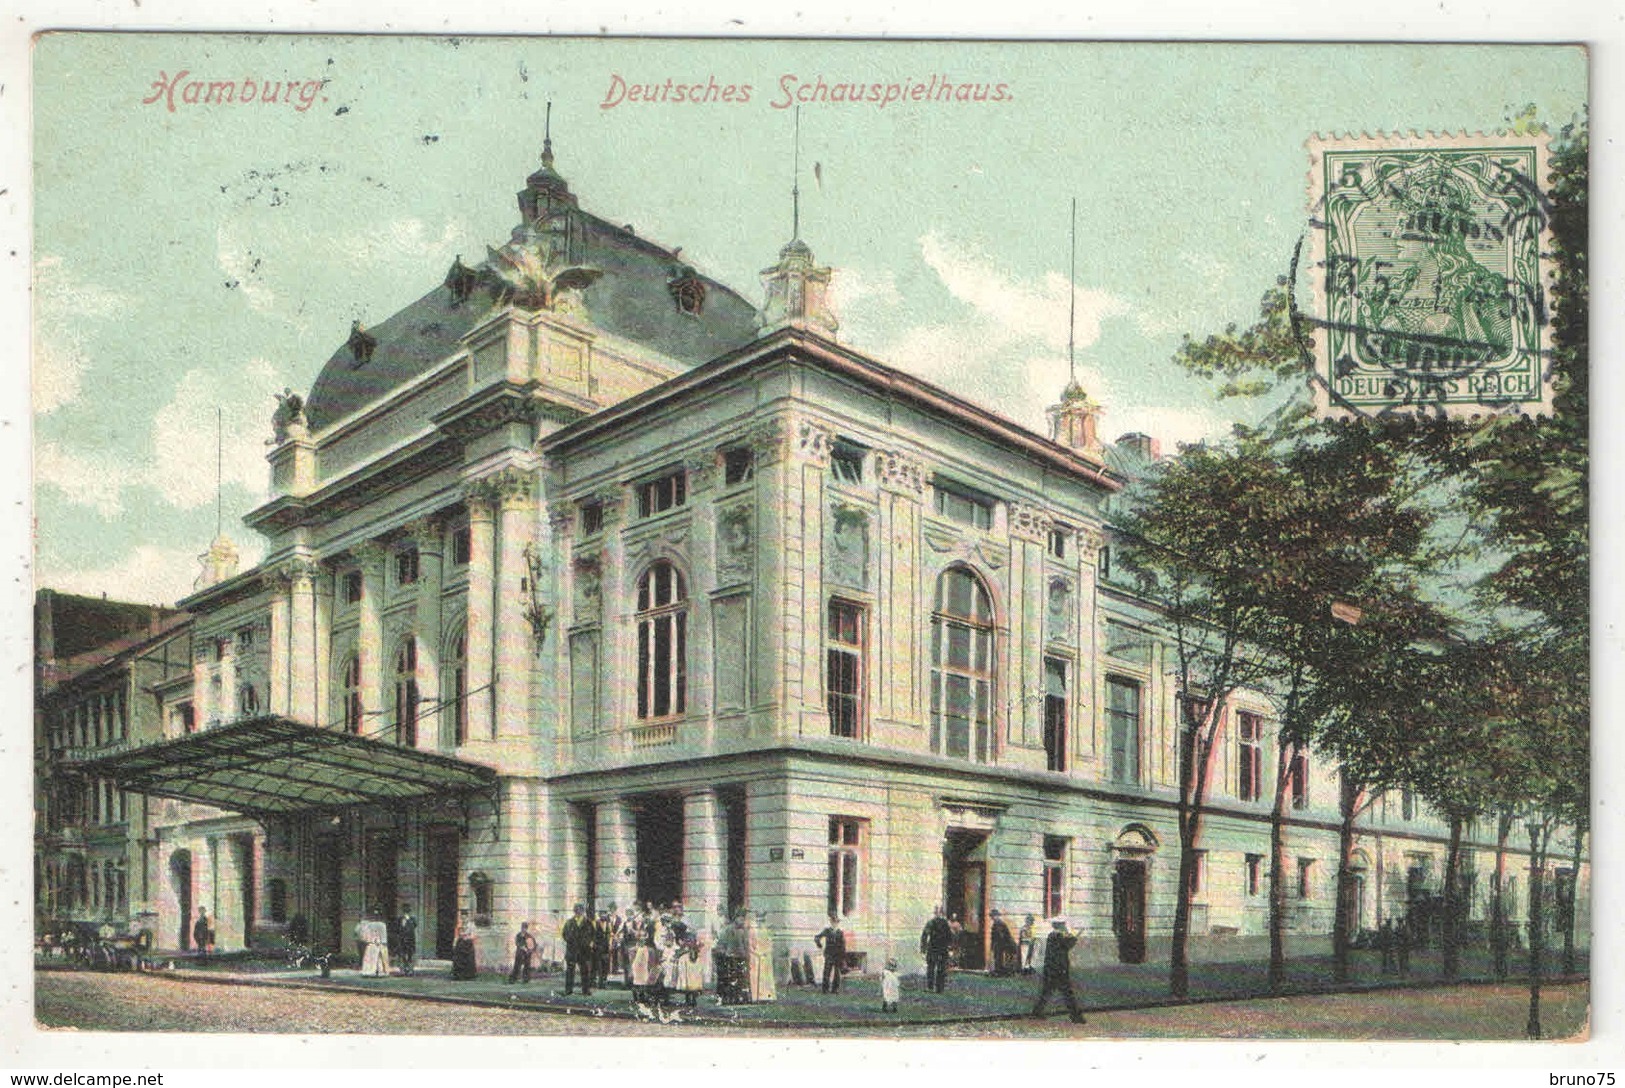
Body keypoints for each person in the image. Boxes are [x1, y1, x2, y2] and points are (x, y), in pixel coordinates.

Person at [1031, 917, 1085, 1024]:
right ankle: (1076, 1017)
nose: (1065, 926)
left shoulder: (1052, 935)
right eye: (1063, 925)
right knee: (1068, 994)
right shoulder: (1058, 935)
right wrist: (1076, 935)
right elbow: (1068, 945)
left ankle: (1037, 1012)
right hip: (1059, 970)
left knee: (1046, 992)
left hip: (1051, 969)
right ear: (1060, 925)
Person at [920, 906, 954, 993]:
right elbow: (950, 937)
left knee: (935, 968)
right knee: (937, 969)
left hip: (935, 948)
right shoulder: (944, 924)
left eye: (938, 913)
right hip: (939, 949)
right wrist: (950, 948)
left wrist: (923, 949)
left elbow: (925, 935)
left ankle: (934, 987)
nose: (938, 915)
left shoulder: (933, 923)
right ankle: (937, 988)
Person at [563, 904, 594, 995]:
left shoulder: (588, 922)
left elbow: (592, 935)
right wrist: (571, 941)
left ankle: (585, 990)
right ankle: (568, 990)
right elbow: (564, 934)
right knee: (570, 971)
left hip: (584, 951)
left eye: (580, 911)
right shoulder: (569, 922)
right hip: (572, 950)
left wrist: (587, 943)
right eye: (576, 911)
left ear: (583, 912)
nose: (578, 913)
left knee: (584, 971)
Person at [746, 910, 777, 1003]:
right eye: (758, 920)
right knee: (756, 976)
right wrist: (755, 952)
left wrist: (767, 951)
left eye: (762, 920)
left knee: (766, 977)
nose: (760, 922)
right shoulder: (752, 930)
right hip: (756, 955)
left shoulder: (767, 930)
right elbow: (750, 943)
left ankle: (767, 996)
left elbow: (770, 943)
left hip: (766, 955)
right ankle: (756, 996)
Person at [814, 913, 847, 994]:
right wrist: (819, 944)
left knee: (837, 973)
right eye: (833, 922)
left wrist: (843, 956)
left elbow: (843, 944)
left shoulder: (840, 932)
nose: (835, 924)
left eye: (836, 922)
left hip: (838, 955)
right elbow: (817, 937)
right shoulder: (827, 931)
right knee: (827, 972)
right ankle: (825, 989)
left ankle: (835, 989)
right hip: (829, 954)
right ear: (831, 922)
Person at [990, 909, 1016, 976]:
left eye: (993, 916)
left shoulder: (1000, 924)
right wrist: (992, 945)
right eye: (992, 916)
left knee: (1001, 958)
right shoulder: (995, 924)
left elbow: (1002, 936)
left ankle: (1002, 972)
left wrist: (998, 944)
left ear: (997, 916)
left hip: (1004, 944)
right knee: (998, 958)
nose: (992, 917)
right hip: (1000, 944)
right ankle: (999, 971)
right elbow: (994, 937)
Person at [397, 905, 417, 977]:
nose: (405, 913)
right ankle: (403, 970)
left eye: (407, 911)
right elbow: (397, 928)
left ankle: (410, 970)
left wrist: (408, 919)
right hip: (402, 940)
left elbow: (414, 926)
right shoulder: (400, 919)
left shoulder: (412, 919)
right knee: (402, 955)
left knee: (410, 955)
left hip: (410, 940)